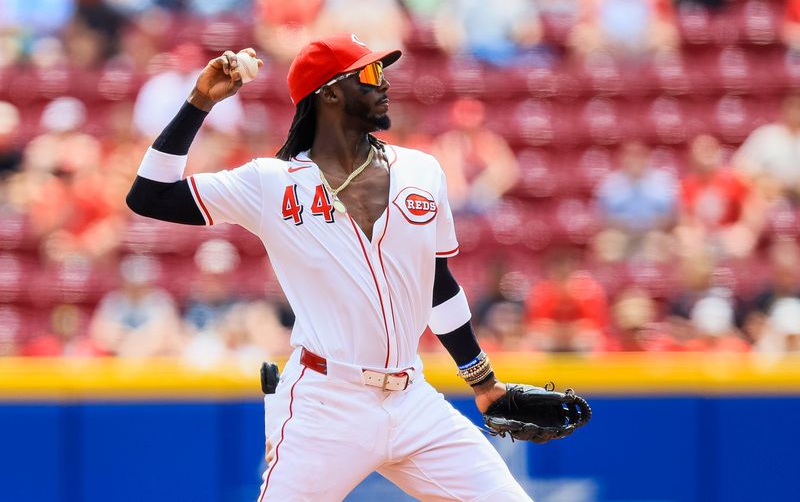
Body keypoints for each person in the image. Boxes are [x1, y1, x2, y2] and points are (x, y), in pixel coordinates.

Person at [126, 33, 533, 500]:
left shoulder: (422, 171)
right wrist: (200, 101)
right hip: (325, 401)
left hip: (413, 397)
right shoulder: (271, 183)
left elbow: (437, 287)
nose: (384, 85)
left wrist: (482, 382)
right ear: (331, 92)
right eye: (370, 74)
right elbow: (149, 195)